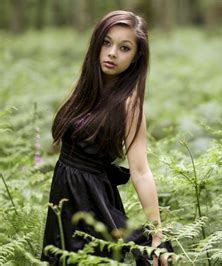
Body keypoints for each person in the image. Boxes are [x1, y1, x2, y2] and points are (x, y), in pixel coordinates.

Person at [41, 10, 170, 265]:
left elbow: (141, 171)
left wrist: (157, 234)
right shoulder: (86, 90)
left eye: (124, 48)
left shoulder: (129, 106)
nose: (112, 53)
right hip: (64, 200)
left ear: (135, 58)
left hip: (91, 204)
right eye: (107, 42)